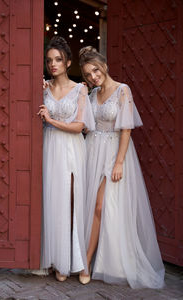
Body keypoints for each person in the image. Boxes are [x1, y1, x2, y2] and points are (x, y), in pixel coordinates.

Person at [78, 46, 165, 289]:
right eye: (87, 74)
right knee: (87, 205)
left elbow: (126, 129)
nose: (93, 76)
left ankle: (87, 261)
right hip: (92, 150)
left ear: (104, 65)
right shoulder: (92, 94)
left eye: (95, 70)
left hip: (113, 153)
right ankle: (87, 258)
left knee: (99, 205)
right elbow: (87, 126)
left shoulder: (122, 90)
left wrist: (118, 162)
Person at [37, 37, 95, 282]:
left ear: (68, 62)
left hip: (72, 148)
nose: (53, 64)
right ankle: (57, 260)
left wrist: (50, 120)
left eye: (58, 59)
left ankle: (77, 262)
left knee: (72, 201)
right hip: (50, 148)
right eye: (49, 60)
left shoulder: (80, 88)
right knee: (53, 201)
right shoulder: (43, 87)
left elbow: (79, 126)